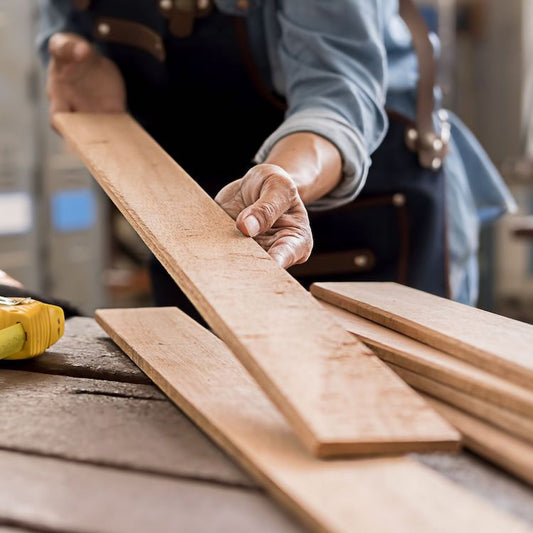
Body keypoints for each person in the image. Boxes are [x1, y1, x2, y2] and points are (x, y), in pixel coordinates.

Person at [38, 0, 515, 313]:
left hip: (358, 200)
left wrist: (283, 178)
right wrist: (73, 57)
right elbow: (60, 21)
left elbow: (337, 97)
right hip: (201, 209)